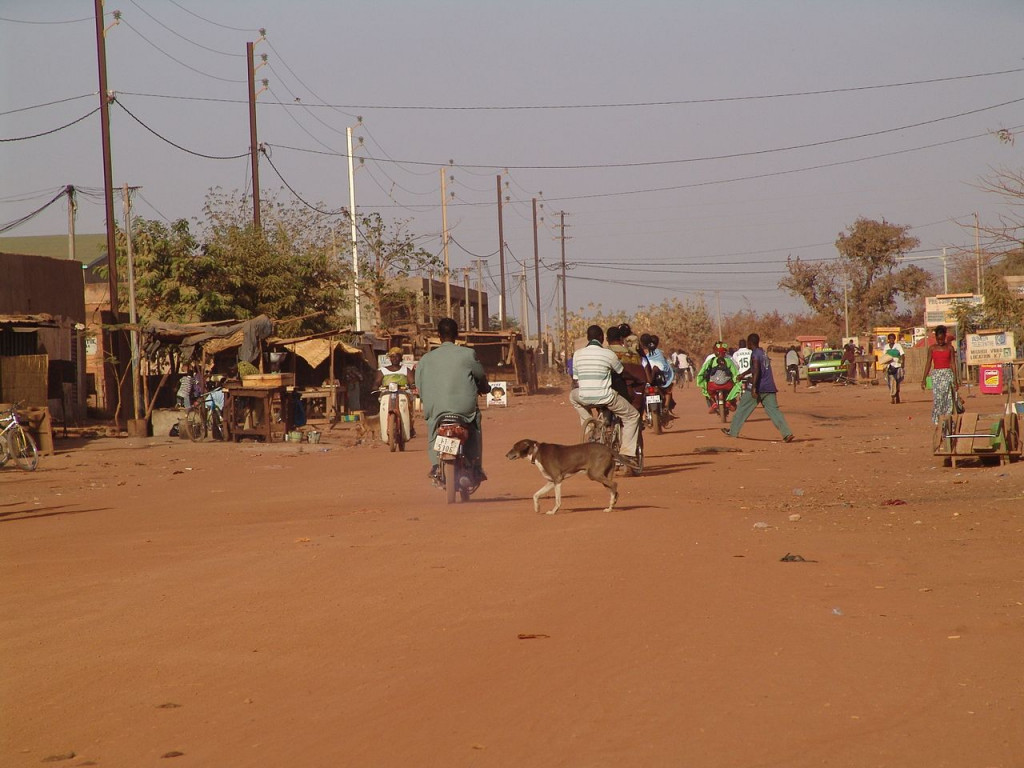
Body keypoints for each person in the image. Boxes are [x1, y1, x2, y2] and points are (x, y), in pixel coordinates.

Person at [416, 317, 491, 481]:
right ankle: (476, 467)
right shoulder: (468, 354)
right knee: (475, 425)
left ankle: (435, 465)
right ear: (457, 334)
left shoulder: (425, 359)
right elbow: (480, 375)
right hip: (464, 408)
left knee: (432, 430)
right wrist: (485, 388)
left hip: (436, 409)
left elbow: (419, 386)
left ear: (439, 335)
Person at [569, 325, 641, 469]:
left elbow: (576, 378)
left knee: (572, 397)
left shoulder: (577, 354)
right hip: (606, 396)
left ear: (588, 338)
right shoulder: (608, 354)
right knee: (632, 416)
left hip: (583, 395)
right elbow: (620, 372)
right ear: (602, 339)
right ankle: (627, 454)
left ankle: (590, 426)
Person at [723, 332, 794, 441]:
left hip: (758, 387)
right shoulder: (762, 353)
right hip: (769, 387)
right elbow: (755, 368)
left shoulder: (755, 354)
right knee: (774, 411)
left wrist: (754, 388)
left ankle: (733, 431)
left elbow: (756, 370)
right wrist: (743, 374)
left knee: (742, 408)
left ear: (750, 343)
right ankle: (787, 433)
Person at [374, 346, 415, 443]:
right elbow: (377, 381)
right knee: (383, 408)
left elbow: (411, 380)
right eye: (392, 357)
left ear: (401, 358)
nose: (394, 359)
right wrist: (375, 386)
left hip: (403, 393)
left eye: (397, 356)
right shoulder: (382, 371)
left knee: (407, 408)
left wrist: (412, 385)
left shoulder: (406, 370)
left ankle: (410, 428)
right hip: (386, 393)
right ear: (389, 358)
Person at [921, 325, 960, 424]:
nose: (940, 341)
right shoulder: (932, 348)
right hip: (937, 376)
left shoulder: (950, 348)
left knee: (948, 398)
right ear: (936, 338)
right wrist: (924, 378)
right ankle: (938, 420)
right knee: (938, 398)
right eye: (938, 339)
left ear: (945, 337)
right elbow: (928, 363)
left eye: (942, 339)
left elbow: (952, 364)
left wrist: (955, 379)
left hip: (948, 374)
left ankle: (947, 420)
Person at [696, 341, 741, 413]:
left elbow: (702, 370)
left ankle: (713, 403)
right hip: (727, 385)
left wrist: (701, 380)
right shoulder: (729, 359)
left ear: (715, 351)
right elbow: (736, 369)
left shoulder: (710, 359)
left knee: (706, 388)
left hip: (713, 385)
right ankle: (730, 402)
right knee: (735, 386)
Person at [641, 333, 675, 412]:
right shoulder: (659, 353)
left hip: (650, 378)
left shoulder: (644, 354)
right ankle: (666, 406)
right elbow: (665, 365)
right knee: (668, 390)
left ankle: (643, 415)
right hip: (662, 379)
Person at [880, 333, 905, 404]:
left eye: (892, 338)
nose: (891, 340)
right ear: (888, 339)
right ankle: (892, 397)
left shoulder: (898, 346)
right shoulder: (886, 347)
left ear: (894, 339)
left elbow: (902, 355)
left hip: (897, 366)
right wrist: (884, 367)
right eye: (890, 338)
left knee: (897, 382)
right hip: (889, 366)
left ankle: (897, 395)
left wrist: (903, 364)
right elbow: (884, 357)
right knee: (890, 382)